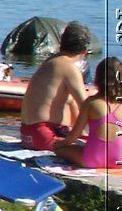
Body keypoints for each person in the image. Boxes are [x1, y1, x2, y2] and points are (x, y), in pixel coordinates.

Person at [19, 22, 92, 150]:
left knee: (71, 102)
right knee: (96, 150)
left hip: (27, 134)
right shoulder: (69, 68)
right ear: (84, 51)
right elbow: (87, 107)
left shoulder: (50, 61)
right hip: (44, 134)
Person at [54, 56, 122, 169]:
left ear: (98, 79)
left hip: (92, 160)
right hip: (121, 160)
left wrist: (60, 143)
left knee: (59, 148)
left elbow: (73, 137)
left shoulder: (91, 102)